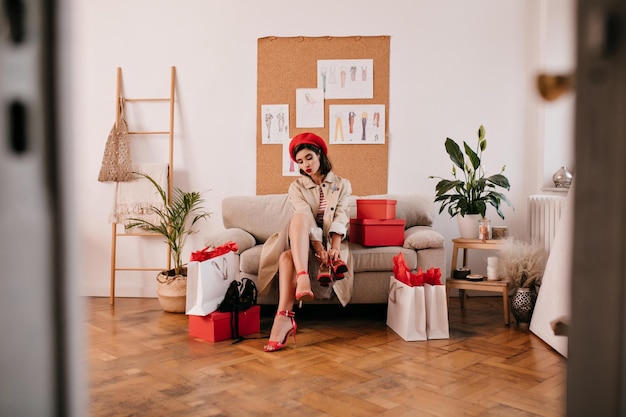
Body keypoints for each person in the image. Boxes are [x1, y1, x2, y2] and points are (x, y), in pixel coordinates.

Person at [261, 132, 352, 352]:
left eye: (309, 157)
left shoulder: (342, 184)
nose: (306, 165)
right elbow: (305, 216)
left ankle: (283, 320)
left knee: (286, 257)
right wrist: (318, 248)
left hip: (329, 239)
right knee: (300, 217)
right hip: (299, 236)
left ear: (320, 154)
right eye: (300, 161)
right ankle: (303, 278)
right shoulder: (297, 187)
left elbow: (341, 215)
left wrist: (334, 247)